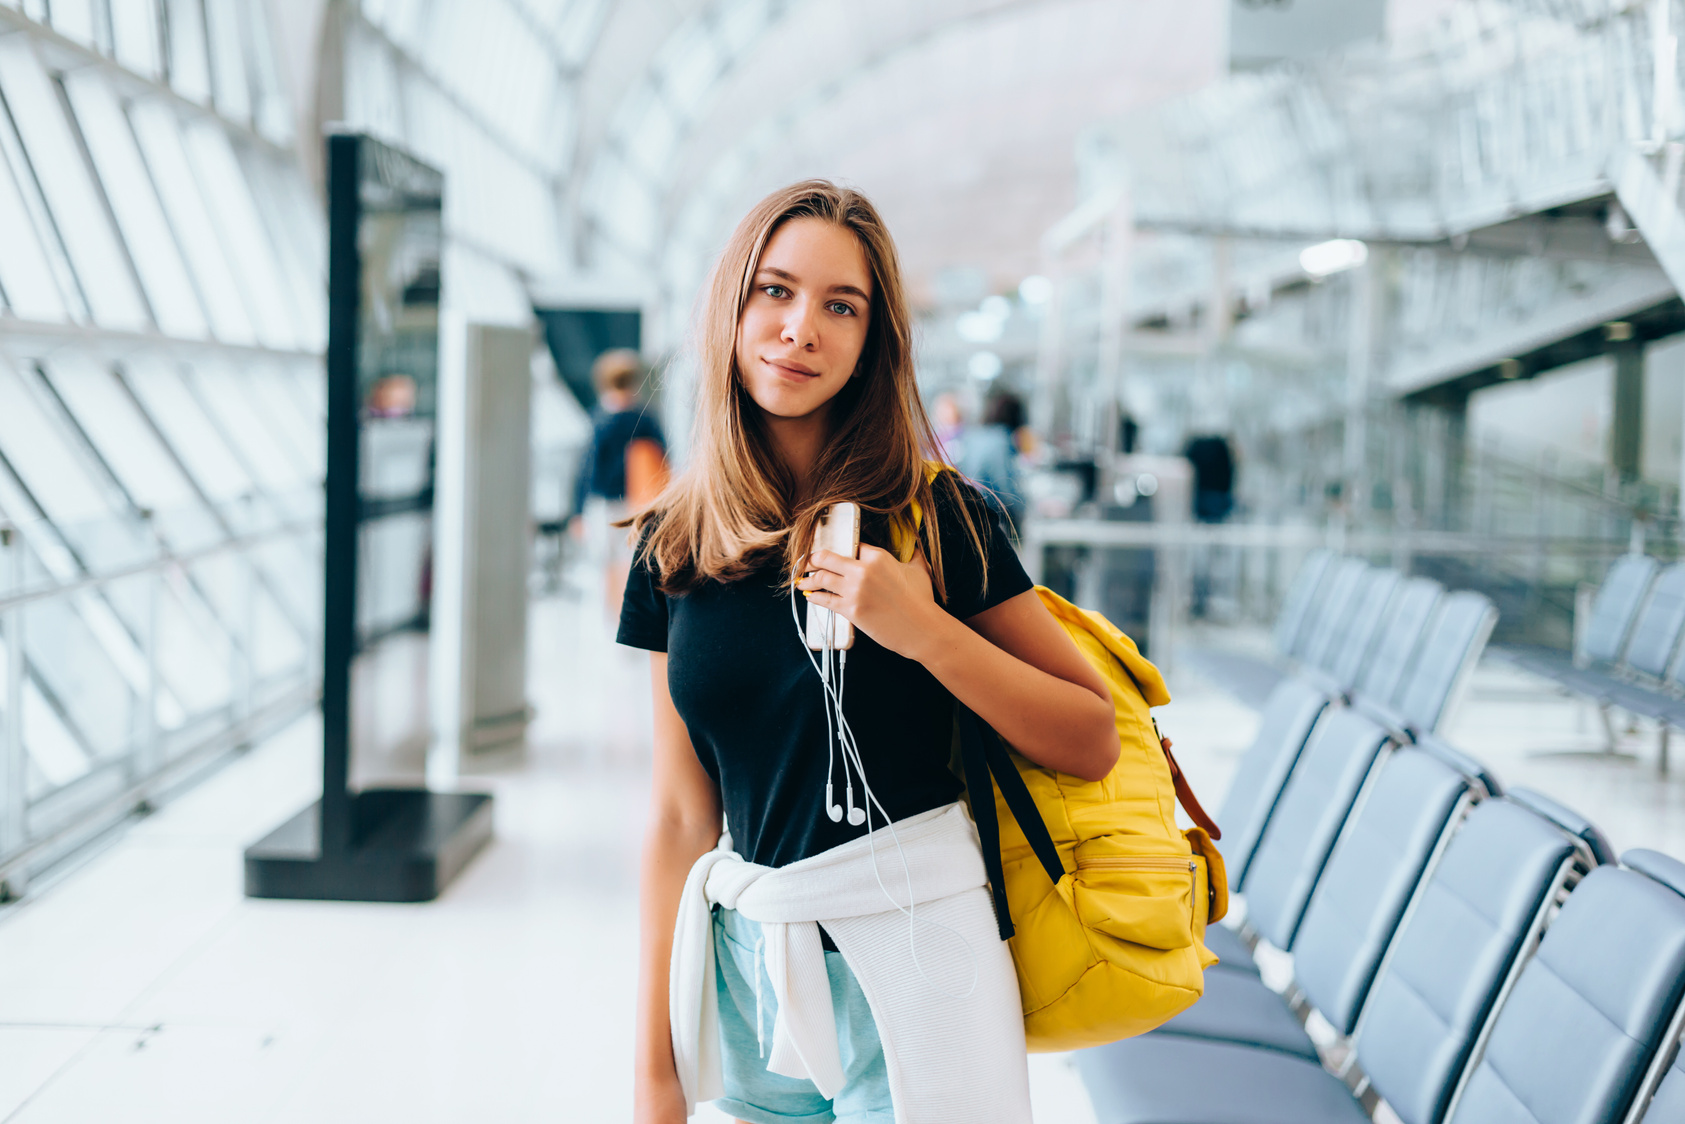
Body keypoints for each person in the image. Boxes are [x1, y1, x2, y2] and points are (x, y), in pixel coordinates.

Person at [618, 181, 1117, 1124]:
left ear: (871, 339)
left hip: (921, 964)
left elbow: (1088, 736)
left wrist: (926, 632)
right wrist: (656, 1069)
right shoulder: (674, 541)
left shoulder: (941, 520)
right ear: (731, 305)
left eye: (839, 306)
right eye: (774, 291)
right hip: (748, 980)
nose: (799, 328)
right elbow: (682, 818)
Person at [573, 348, 669, 614]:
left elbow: (586, 469)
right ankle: (626, 617)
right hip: (638, 501)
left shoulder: (600, 419)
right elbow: (662, 460)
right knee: (632, 564)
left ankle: (608, 618)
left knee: (604, 565)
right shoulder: (645, 418)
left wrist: (577, 510)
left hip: (605, 503)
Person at [954, 391, 1028, 539]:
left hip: (964, 510)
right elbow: (1006, 487)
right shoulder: (1001, 440)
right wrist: (1026, 507)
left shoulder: (974, 436)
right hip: (984, 515)